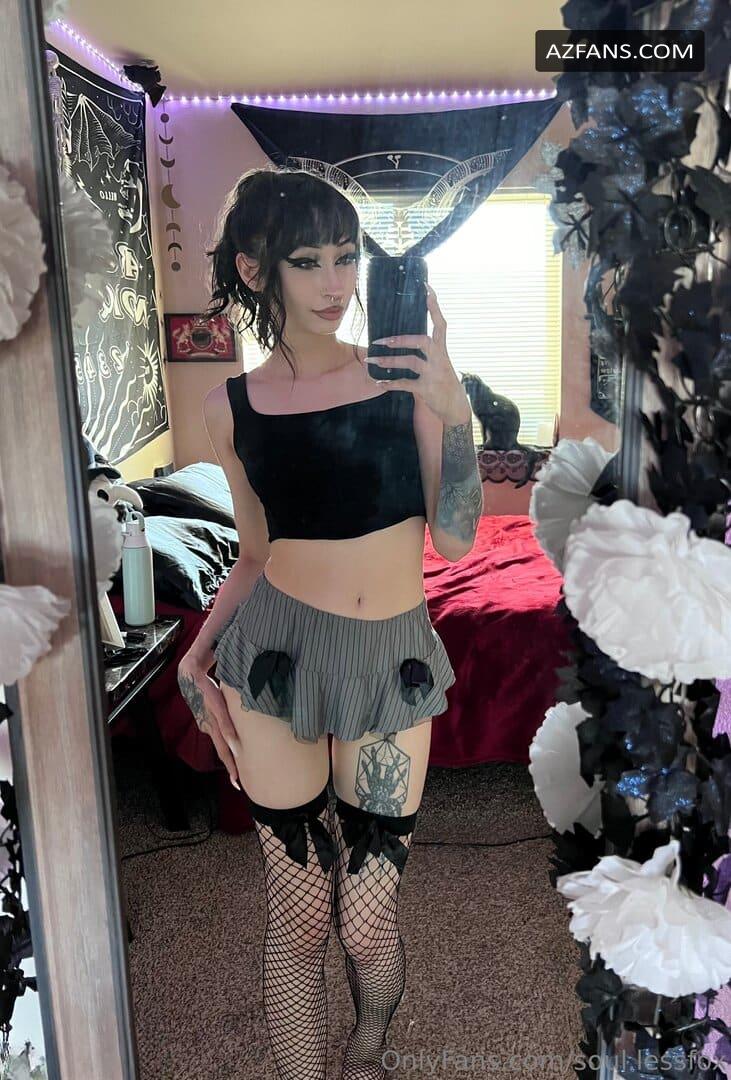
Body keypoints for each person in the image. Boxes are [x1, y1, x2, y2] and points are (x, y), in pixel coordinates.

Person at [177, 166, 483, 1080]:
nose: (336, 281)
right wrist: (195, 658)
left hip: (390, 662)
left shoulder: (401, 382)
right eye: (307, 260)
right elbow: (254, 554)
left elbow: (456, 539)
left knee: (368, 921)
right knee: (300, 917)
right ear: (255, 269)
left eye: (347, 257)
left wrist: (456, 412)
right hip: (274, 659)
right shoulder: (229, 408)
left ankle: (367, 1048)